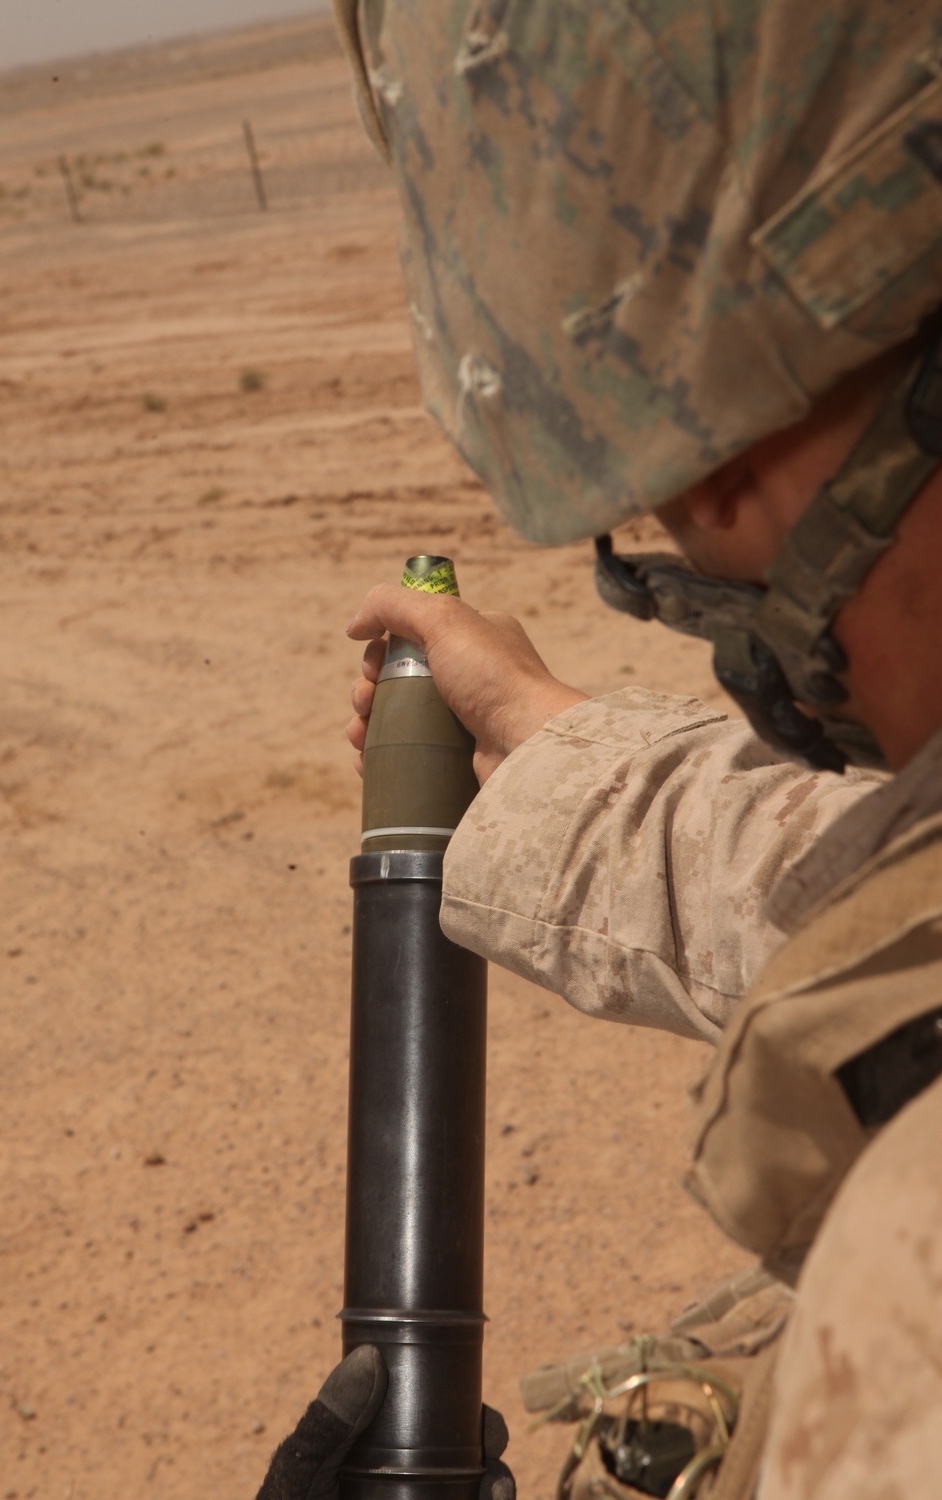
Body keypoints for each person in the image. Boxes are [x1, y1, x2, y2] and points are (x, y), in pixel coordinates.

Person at [258, 2, 942, 1495]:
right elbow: (903, 912)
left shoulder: (917, 1294)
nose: (691, 540)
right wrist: (554, 750)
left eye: (685, 498)